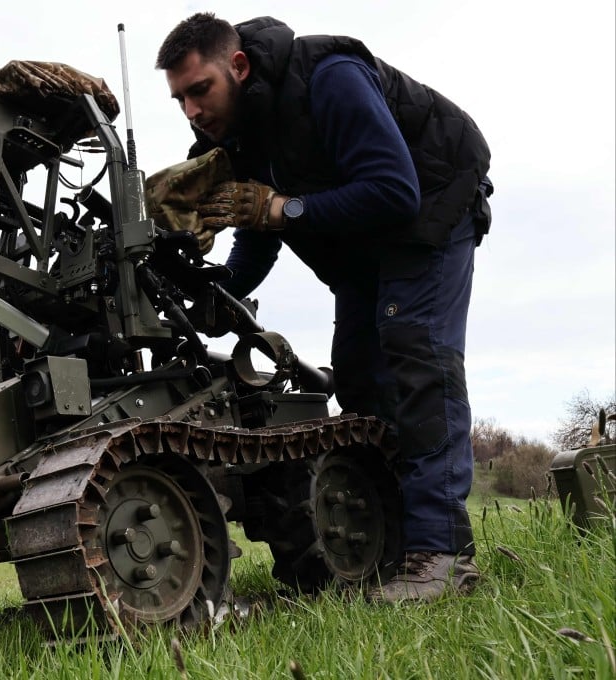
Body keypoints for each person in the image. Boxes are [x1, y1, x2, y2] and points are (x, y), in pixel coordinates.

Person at [156, 13, 492, 603]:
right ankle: (397, 543)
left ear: (238, 66)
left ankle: (443, 556)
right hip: (364, 244)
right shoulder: (237, 135)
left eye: (200, 89)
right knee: (359, 372)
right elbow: (257, 233)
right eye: (180, 98)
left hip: (433, 206)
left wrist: (281, 208)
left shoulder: (329, 77)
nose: (192, 110)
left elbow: (395, 190)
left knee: (416, 353)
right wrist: (221, 291)